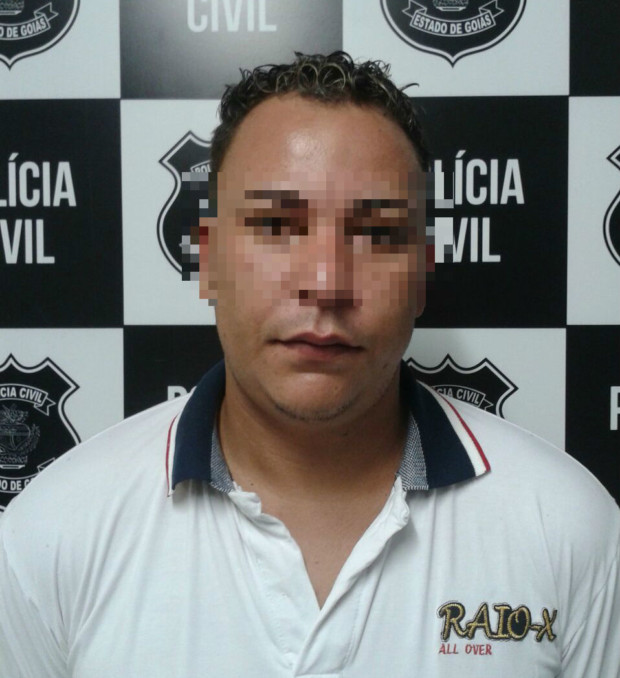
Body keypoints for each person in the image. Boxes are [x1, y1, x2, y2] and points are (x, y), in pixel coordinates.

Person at [0, 52, 619, 678]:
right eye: (275, 225)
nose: (325, 284)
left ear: (421, 274)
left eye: (376, 233)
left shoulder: (567, 527)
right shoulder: (55, 532)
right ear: (208, 262)